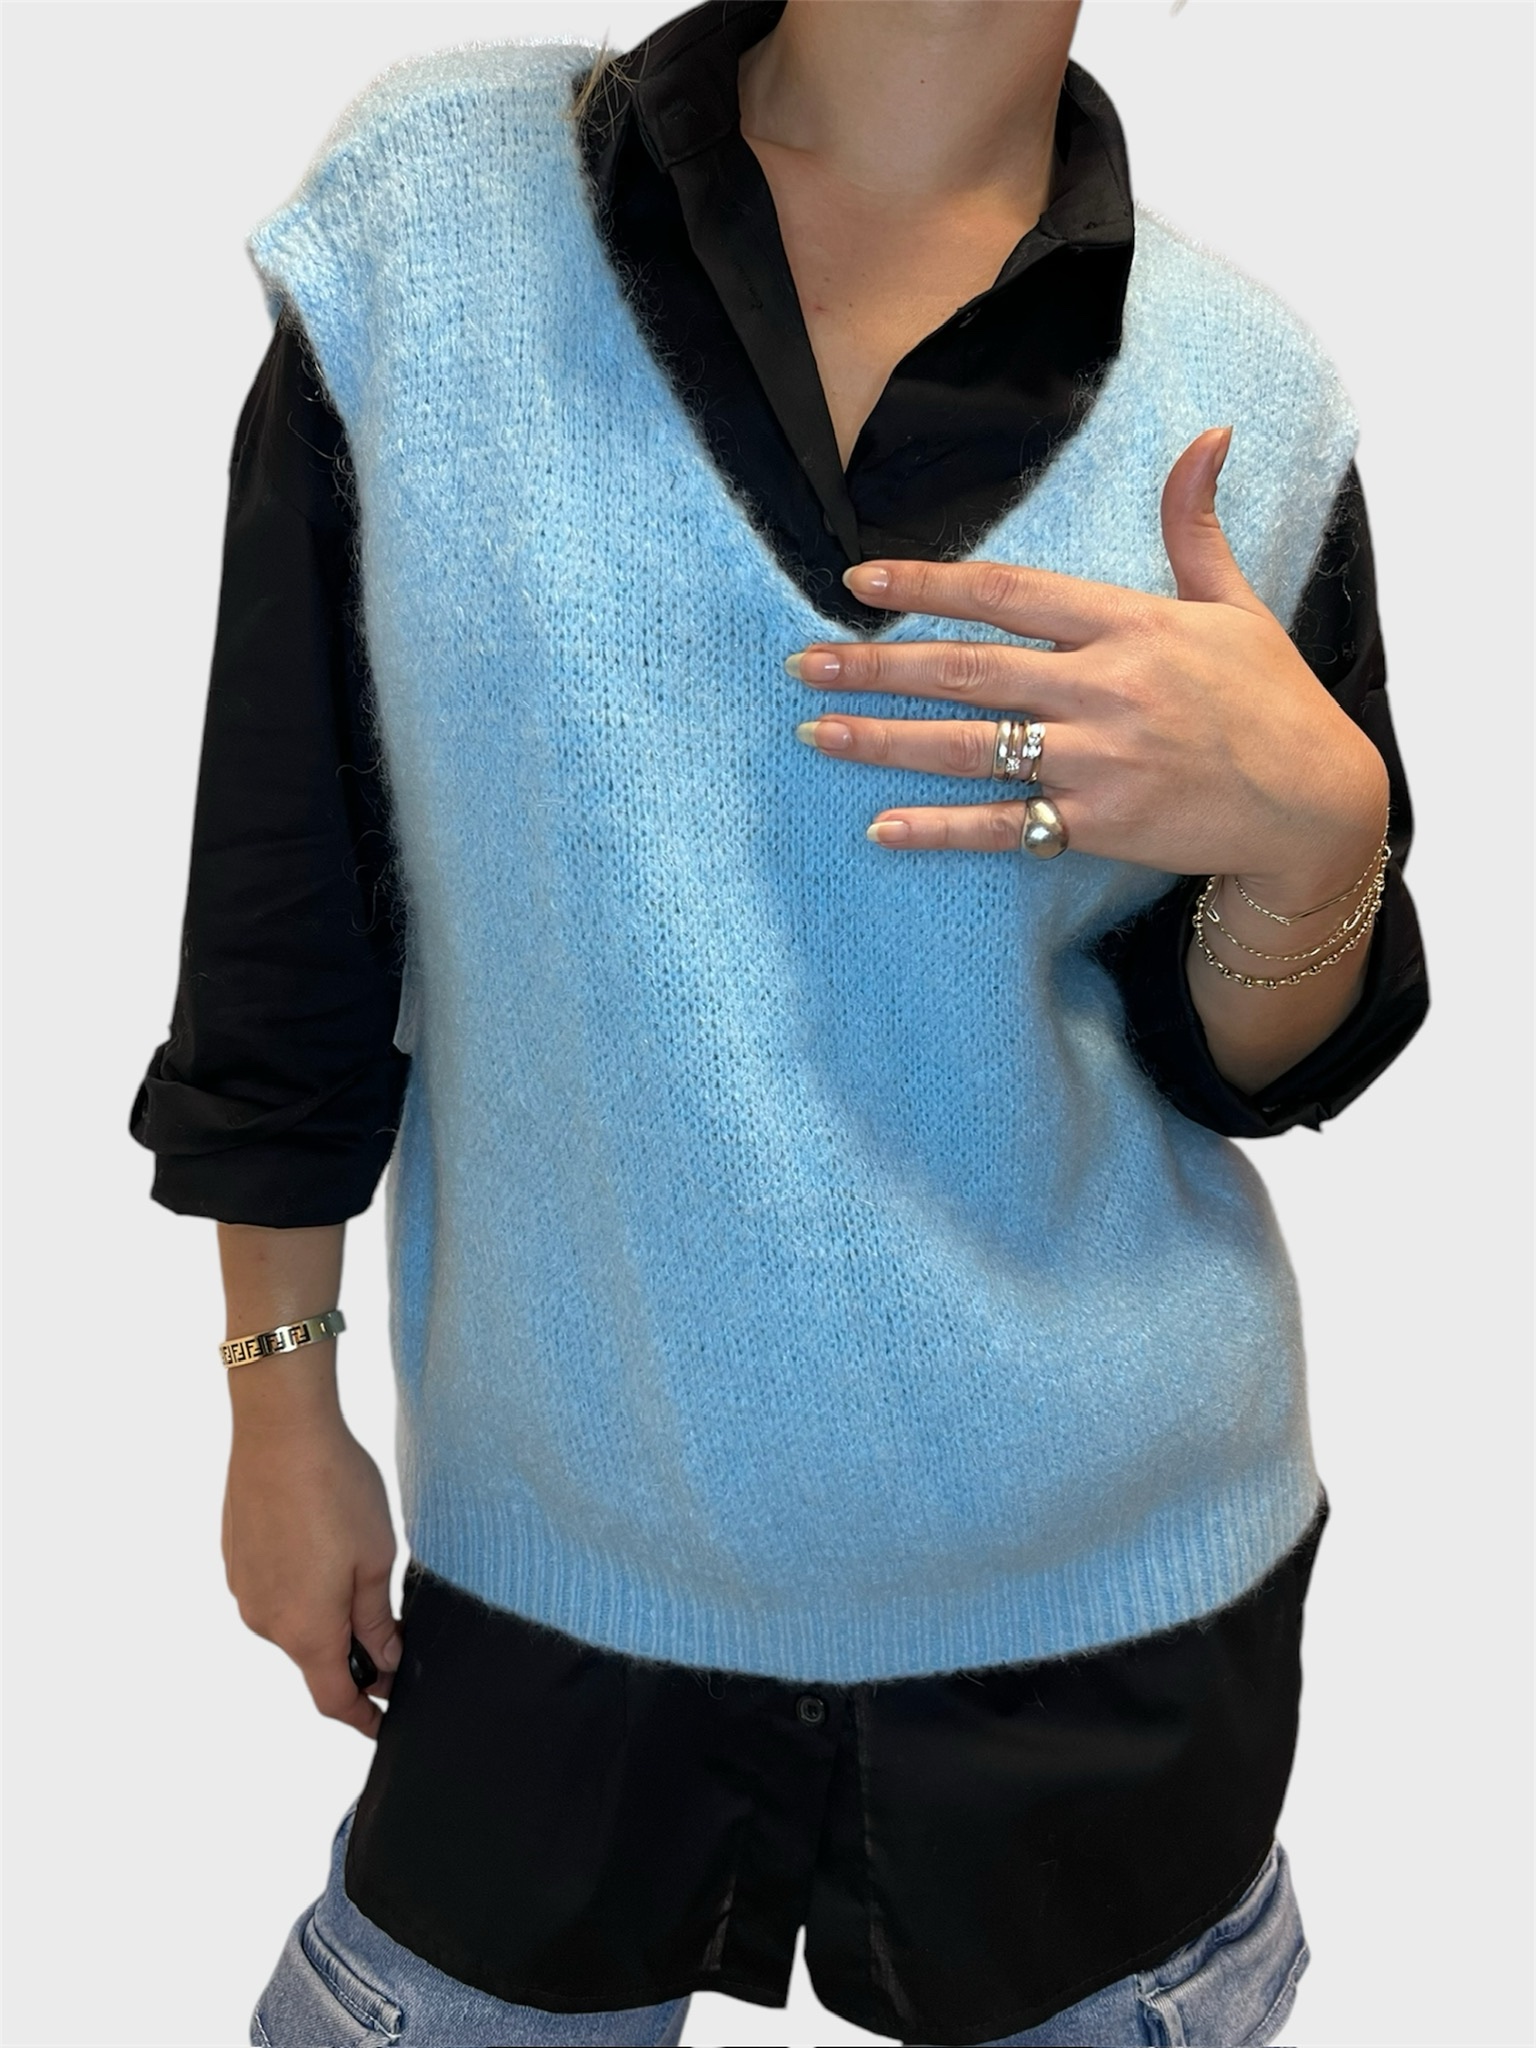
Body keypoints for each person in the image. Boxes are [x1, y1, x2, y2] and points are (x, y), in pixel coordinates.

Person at [130, 4, 1428, 2044]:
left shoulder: (1242, 397)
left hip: (1109, 1620)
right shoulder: (438, 223)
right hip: (557, 1584)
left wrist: (1319, 843)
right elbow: (291, 901)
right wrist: (277, 1403)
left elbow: (1241, 1061)